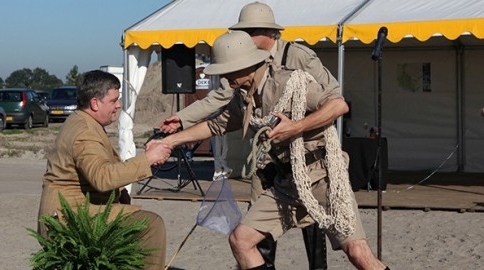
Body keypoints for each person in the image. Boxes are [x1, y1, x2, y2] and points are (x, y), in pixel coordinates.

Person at [154, 31, 390, 270]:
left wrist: (296, 127)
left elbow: (338, 105)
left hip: (323, 178)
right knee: (241, 240)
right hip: (287, 184)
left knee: (357, 253)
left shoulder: (290, 82)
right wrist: (170, 142)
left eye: (228, 70)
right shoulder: (245, 97)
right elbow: (215, 125)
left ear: (247, 65)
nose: (224, 77)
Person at [158, 2, 333, 268]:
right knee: (256, 222)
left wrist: (297, 126)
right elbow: (221, 99)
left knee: (313, 220)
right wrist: (182, 119)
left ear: (268, 32)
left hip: (303, 158)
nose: (244, 38)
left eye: (250, 32)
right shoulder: (241, 60)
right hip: (267, 158)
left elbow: (331, 97)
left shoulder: (297, 56)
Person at [37, 70, 171, 270]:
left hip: (71, 211)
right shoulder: (85, 132)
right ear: (95, 103)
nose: (118, 105)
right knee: (150, 225)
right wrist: (147, 159)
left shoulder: (84, 122)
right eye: (114, 100)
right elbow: (102, 177)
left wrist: (120, 194)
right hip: (68, 218)